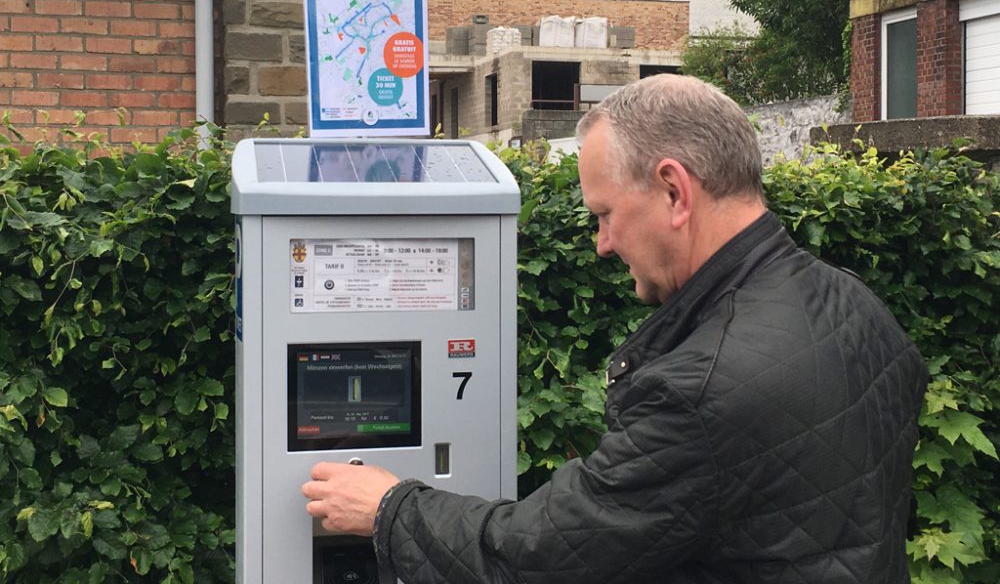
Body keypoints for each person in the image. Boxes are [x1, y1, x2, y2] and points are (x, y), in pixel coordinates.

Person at [302, 74, 928, 583]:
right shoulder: (854, 305)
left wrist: (388, 508)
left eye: (604, 214)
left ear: (674, 191)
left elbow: (538, 559)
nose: (601, 244)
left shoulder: (701, 391)